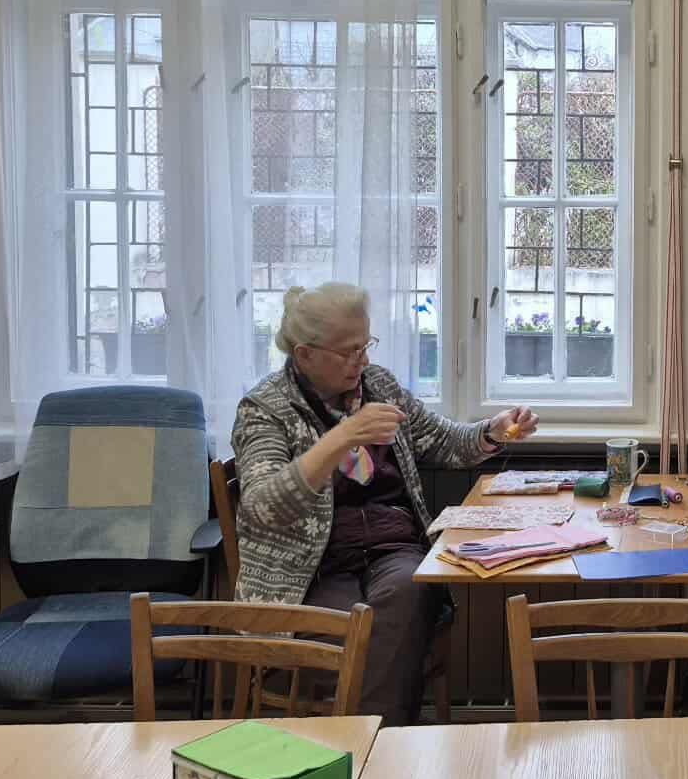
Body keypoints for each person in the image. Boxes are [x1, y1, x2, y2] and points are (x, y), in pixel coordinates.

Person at [231, 282, 540, 723]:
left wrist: (493, 430)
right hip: (311, 569)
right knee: (364, 627)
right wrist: (341, 438)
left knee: (411, 590)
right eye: (349, 351)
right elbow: (263, 507)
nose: (363, 361)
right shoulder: (265, 408)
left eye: (366, 345)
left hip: (392, 547)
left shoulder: (379, 386)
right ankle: (383, 738)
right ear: (305, 354)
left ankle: (359, 740)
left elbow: (444, 441)